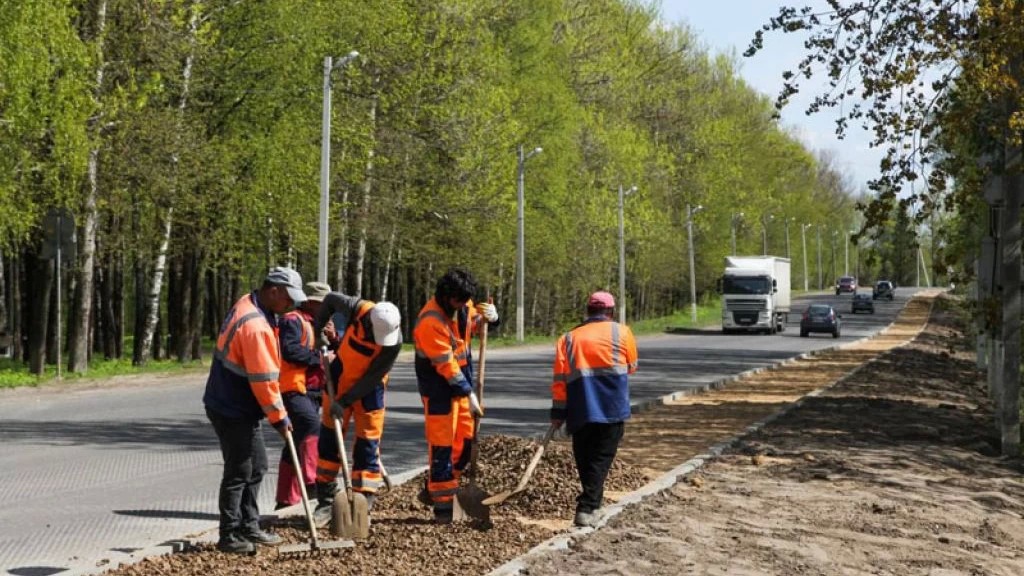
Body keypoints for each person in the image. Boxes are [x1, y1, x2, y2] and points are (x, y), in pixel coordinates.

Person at [202, 267, 304, 555]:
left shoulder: (251, 302)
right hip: (231, 407)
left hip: (236, 404)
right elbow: (264, 382)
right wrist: (280, 419)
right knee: (239, 470)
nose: (291, 305)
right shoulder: (255, 325)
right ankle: (229, 534)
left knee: (256, 465)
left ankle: (249, 524)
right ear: (273, 291)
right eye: (288, 299)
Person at [412, 267, 499, 524]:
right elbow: (446, 366)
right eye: (460, 301)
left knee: (464, 442)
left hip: (462, 388)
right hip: (439, 391)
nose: (464, 305)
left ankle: (441, 488)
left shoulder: (461, 305)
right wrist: (468, 393)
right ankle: (442, 506)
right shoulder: (430, 321)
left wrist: (490, 320)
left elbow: (474, 325)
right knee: (442, 445)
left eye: (466, 301)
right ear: (447, 296)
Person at [312, 292, 403, 526]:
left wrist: (345, 402)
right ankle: (326, 498)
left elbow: (372, 377)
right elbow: (330, 299)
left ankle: (363, 500)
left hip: (369, 390)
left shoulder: (394, 341)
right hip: (338, 380)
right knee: (329, 440)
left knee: (368, 442)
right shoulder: (358, 308)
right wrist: (317, 332)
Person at [550, 290, 638, 528]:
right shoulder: (622, 332)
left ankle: (591, 503)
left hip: (581, 410)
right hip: (612, 408)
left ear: (588, 311)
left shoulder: (568, 338)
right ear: (610, 311)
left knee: (586, 458)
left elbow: (560, 380)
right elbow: (631, 366)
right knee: (601, 459)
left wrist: (558, 414)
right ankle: (588, 507)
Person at [273, 281, 332, 511]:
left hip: (314, 390)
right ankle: (311, 481)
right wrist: (320, 358)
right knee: (310, 427)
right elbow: (291, 351)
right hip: (293, 388)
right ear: (309, 302)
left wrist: (332, 339)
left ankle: (286, 500)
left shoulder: (320, 324)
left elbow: (333, 350)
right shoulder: (292, 320)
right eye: (322, 305)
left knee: (294, 442)